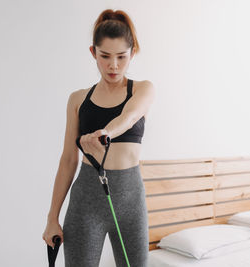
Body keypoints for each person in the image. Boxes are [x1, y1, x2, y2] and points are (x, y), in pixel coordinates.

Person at [42, 9, 155, 267]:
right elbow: (68, 161)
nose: (113, 65)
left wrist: (106, 133)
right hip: (86, 200)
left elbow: (129, 116)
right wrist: (52, 219)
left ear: (132, 53)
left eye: (121, 57)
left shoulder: (142, 89)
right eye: (105, 56)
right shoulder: (78, 99)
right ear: (93, 52)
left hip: (131, 201)